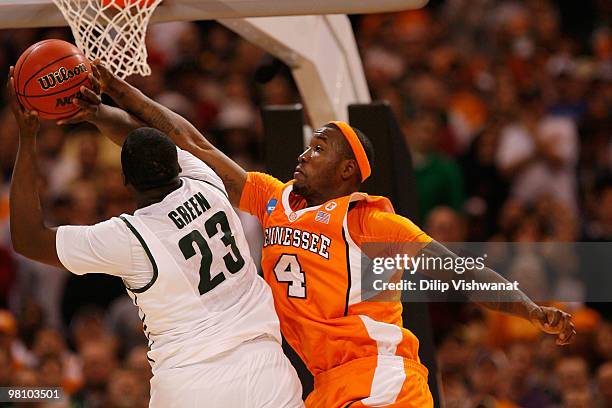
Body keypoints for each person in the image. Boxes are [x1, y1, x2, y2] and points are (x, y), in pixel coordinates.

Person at [69, 61, 575, 408]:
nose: (304, 155)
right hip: (325, 386)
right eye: (309, 146)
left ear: (348, 174)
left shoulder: (370, 222)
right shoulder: (273, 199)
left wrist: (530, 309)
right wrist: (107, 100)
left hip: (382, 379)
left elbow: (462, 274)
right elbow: (188, 142)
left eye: (320, 149)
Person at [6, 67, 303, 408]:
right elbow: (177, 137)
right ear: (177, 165)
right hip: (266, 368)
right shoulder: (207, 183)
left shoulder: (131, 237)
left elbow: (28, 239)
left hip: (192, 382)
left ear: (125, 183)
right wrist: (103, 108)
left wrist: (27, 137)